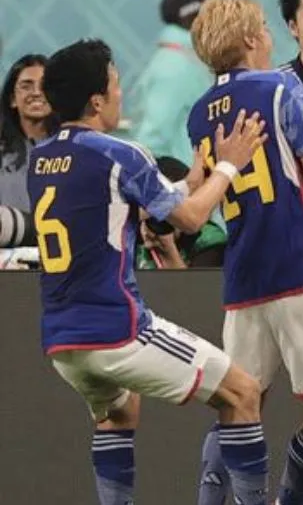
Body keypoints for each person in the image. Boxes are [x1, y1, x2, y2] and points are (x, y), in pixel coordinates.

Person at [29, 38, 268, 505]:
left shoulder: (42, 160)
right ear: (96, 100)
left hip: (62, 342)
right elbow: (192, 221)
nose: (123, 94)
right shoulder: (121, 153)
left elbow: (120, 211)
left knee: (120, 412)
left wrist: (188, 183)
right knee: (242, 392)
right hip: (115, 330)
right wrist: (229, 168)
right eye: (116, 85)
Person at [187, 0, 303, 505]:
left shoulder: (199, 114)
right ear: (248, 40)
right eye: (264, 27)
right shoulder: (280, 88)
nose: (268, 37)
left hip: (244, 277)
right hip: (298, 265)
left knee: (239, 404)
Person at [129, 0, 212, 164]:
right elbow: (151, 140)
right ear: (191, 16)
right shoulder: (176, 66)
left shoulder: (183, 59)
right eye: (211, 11)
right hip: (184, 183)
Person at [136, 156, 227, 269]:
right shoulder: (129, 235)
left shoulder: (208, 240)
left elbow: (199, 287)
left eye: (166, 211)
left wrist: (169, 251)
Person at [1, 54, 49, 213]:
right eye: (26, 86)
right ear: (12, 99)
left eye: (45, 86)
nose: (36, 93)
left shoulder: (75, 150)